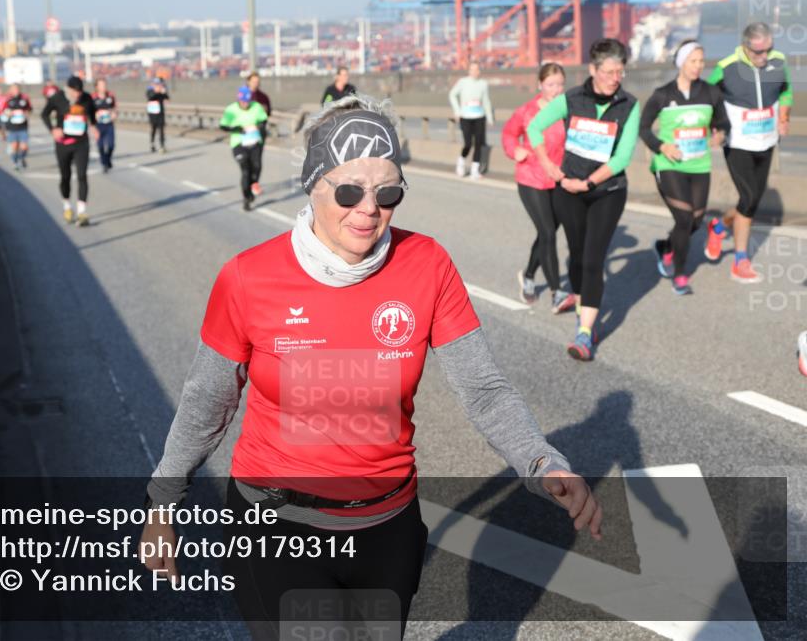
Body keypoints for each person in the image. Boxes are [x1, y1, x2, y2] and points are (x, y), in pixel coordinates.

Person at [140, 94, 602, 640]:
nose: (369, 208)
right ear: (312, 186)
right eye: (349, 190)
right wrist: (163, 500)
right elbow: (207, 403)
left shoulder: (427, 264)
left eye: (387, 193)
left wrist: (540, 461)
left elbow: (484, 389)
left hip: (386, 526)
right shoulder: (248, 278)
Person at [528, 38, 640, 362]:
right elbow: (535, 127)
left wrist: (588, 182)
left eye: (620, 71)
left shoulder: (629, 105)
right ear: (593, 70)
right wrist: (551, 169)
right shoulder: (572, 99)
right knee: (576, 256)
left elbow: (622, 158)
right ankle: (581, 299)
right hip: (567, 190)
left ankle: (585, 333)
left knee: (593, 259)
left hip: (607, 191)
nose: (615, 78)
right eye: (609, 72)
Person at [704, 22, 793, 283]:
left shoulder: (778, 62)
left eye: (768, 50)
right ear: (745, 47)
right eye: (758, 53)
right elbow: (708, 98)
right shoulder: (726, 67)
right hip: (738, 142)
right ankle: (741, 260)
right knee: (750, 196)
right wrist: (714, 127)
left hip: (766, 141)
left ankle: (719, 227)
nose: (764, 57)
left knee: (751, 201)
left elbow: (785, 91)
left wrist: (784, 117)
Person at [639, 40, 729, 296]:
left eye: (701, 61)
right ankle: (679, 274)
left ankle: (667, 247)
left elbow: (723, 121)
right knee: (684, 218)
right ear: (681, 63)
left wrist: (720, 134)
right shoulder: (663, 94)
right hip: (669, 164)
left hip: (699, 164)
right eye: (693, 61)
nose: (698, 66)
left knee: (696, 222)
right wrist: (661, 146)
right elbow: (643, 127)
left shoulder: (711, 93)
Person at [502, 63, 576, 313]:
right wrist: (516, 150)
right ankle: (558, 293)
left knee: (547, 233)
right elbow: (509, 135)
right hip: (531, 177)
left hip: (557, 178)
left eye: (560, 84)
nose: (556, 90)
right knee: (548, 232)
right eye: (551, 85)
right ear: (540, 85)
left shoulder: (567, 111)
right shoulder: (526, 112)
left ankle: (529, 274)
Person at [41, 75, 97, 226]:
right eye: (74, 91)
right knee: (65, 177)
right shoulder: (57, 98)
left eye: (79, 92)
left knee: (82, 175)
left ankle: (82, 212)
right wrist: (53, 130)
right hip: (63, 144)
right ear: (68, 89)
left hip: (81, 142)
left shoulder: (87, 98)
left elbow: (92, 114)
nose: (77, 95)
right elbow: (44, 114)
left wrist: (93, 126)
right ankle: (67, 205)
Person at [219, 85, 268, 211]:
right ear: (238, 99)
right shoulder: (231, 109)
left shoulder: (256, 107)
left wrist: (259, 126)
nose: (245, 104)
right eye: (242, 101)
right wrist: (237, 129)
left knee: (256, 167)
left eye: (247, 101)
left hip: (255, 142)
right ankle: (247, 198)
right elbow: (223, 126)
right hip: (238, 144)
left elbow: (263, 120)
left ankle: (253, 184)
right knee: (246, 171)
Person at [449, 60, 494, 179]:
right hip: (465, 117)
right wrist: (457, 111)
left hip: (480, 116)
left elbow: (486, 100)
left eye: (477, 69)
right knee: (468, 143)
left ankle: (475, 170)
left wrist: (490, 117)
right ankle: (461, 161)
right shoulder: (463, 82)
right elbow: (452, 94)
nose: (475, 72)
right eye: (472, 69)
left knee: (478, 143)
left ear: (480, 71)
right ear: (469, 71)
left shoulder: (483, 84)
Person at [247, 72, 271, 198]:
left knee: (257, 159)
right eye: (253, 81)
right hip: (245, 132)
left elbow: (268, 113)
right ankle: (248, 182)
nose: (256, 83)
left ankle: (255, 182)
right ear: (248, 82)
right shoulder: (244, 96)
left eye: (258, 81)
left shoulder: (263, 97)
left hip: (259, 131)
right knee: (247, 160)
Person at [2, 83, 32, 171]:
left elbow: (30, 109)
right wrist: (9, 113)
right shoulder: (8, 99)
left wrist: (26, 113)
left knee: (24, 147)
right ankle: (15, 162)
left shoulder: (24, 98)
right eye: (14, 89)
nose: (16, 90)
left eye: (17, 88)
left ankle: (21, 158)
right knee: (14, 147)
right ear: (11, 90)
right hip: (12, 127)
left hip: (23, 127)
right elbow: (3, 111)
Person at [93, 78, 117, 172]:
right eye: (101, 85)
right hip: (98, 125)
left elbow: (114, 107)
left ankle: (108, 159)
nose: (103, 87)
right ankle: (104, 163)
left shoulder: (110, 96)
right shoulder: (93, 97)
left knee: (111, 145)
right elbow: (89, 111)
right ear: (97, 87)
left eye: (104, 85)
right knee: (100, 146)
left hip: (109, 124)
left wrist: (114, 114)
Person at [146, 77, 169, 153]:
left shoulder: (162, 90)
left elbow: (167, 98)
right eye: (156, 84)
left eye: (159, 84)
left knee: (161, 129)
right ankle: (152, 143)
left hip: (160, 113)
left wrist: (164, 92)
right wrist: (157, 92)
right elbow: (150, 97)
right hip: (152, 113)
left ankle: (162, 146)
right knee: (154, 128)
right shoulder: (150, 90)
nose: (158, 85)